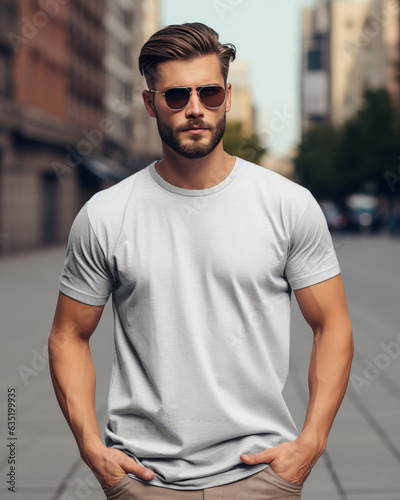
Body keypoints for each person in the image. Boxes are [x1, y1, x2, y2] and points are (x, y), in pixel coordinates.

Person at [48, 22, 354, 500]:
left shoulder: (288, 204)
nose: (195, 109)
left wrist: (310, 443)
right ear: (150, 104)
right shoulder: (106, 214)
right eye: (176, 97)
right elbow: (68, 334)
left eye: (209, 93)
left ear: (228, 97)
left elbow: (332, 324)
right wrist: (94, 450)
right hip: (143, 481)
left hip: (262, 477)